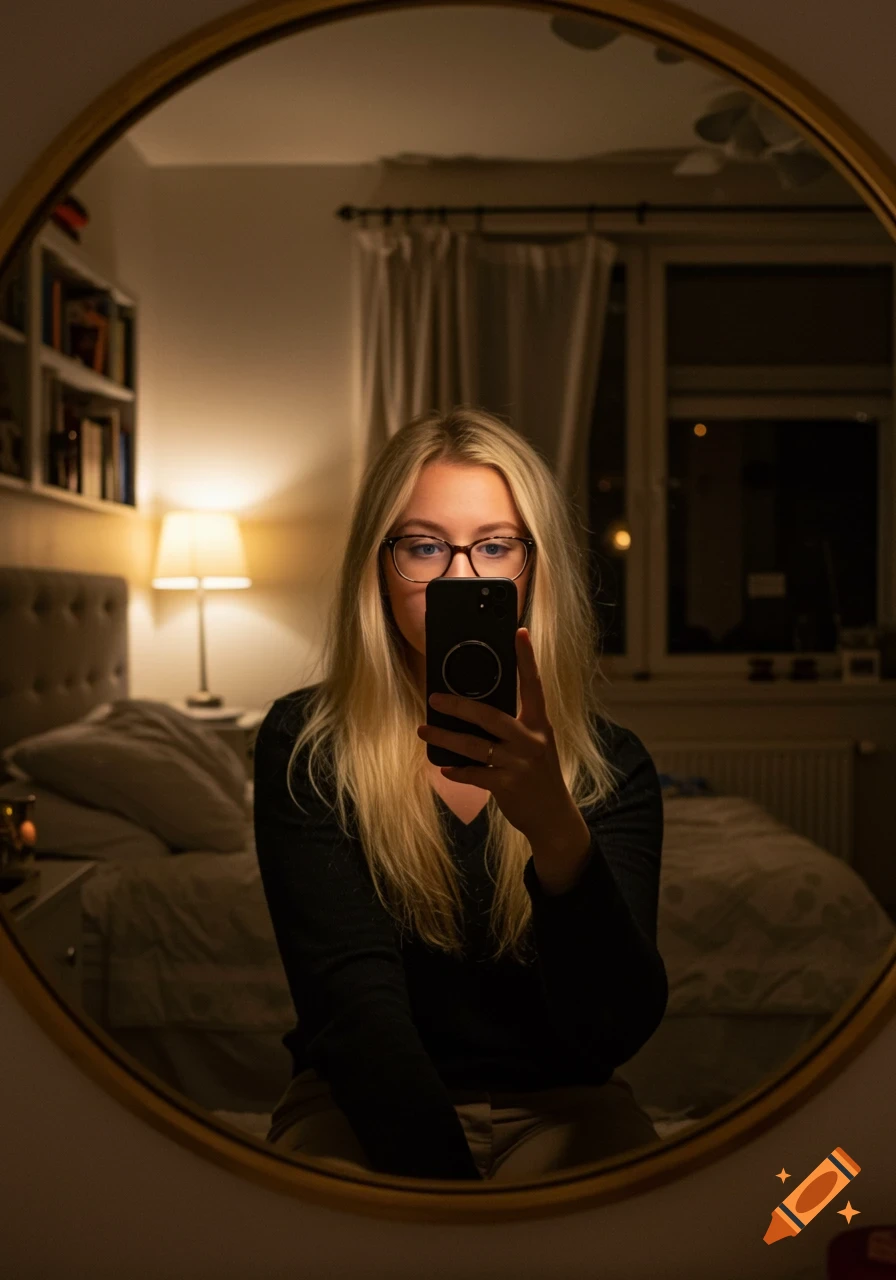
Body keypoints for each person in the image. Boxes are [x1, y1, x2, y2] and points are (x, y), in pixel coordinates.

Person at [253, 406, 668, 1184]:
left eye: (494, 547)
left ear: (534, 566)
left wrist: (556, 833)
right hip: (356, 1106)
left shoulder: (612, 765)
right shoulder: (308, 743)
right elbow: (356, 1013)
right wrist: (459, 1217)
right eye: (424, 546)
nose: (459, 577)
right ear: (378, 566)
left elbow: (611, 1031)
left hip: (564, 1105)